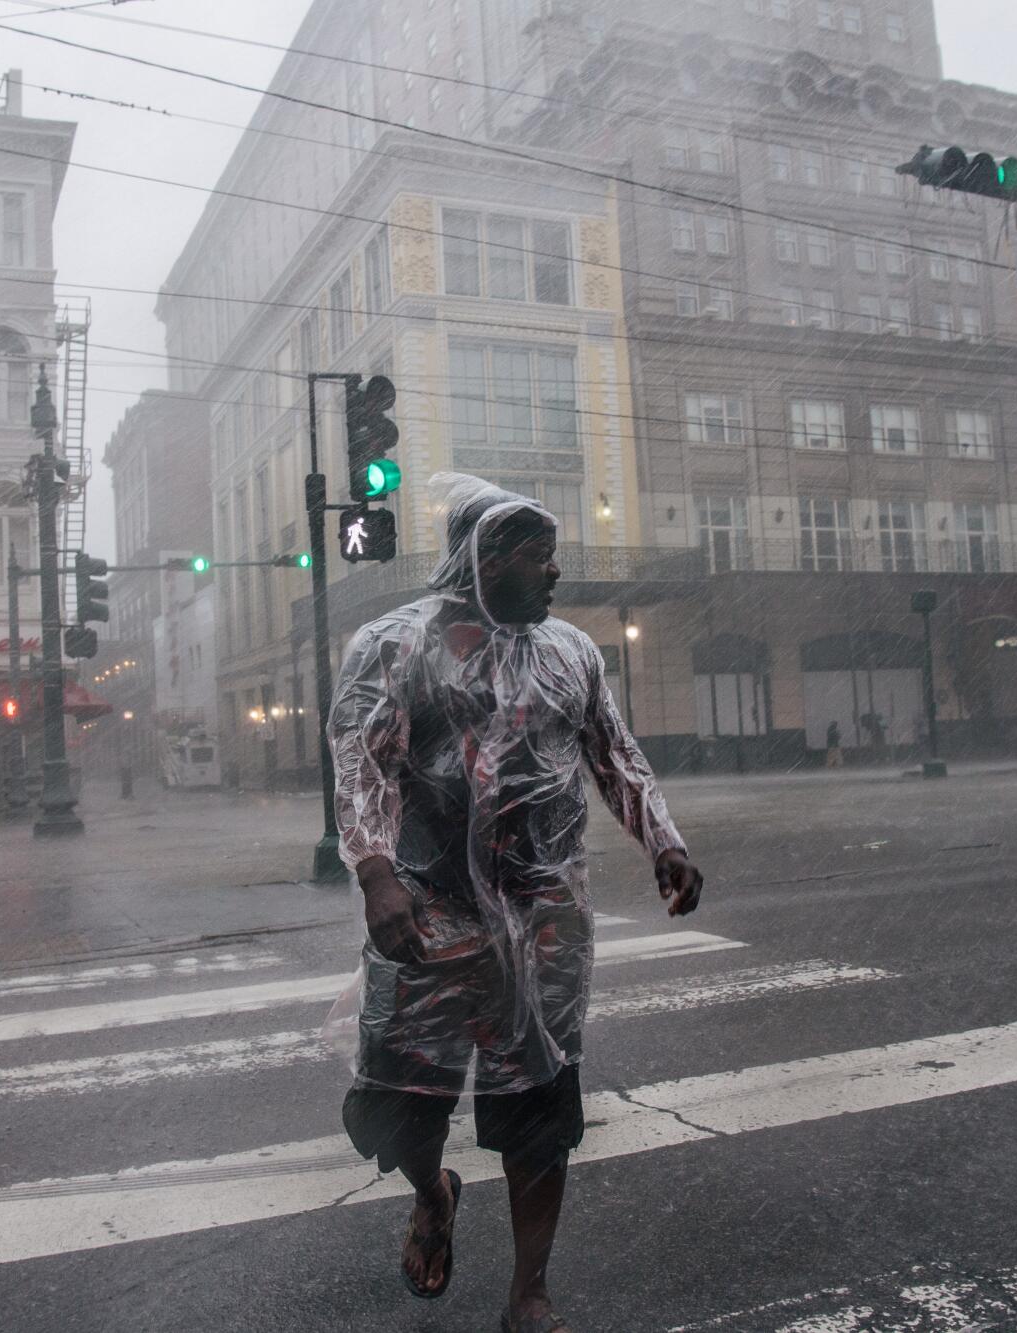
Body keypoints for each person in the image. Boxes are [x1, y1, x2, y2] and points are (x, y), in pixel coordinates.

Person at [326, 474, 702, 1333]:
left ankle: (529, 1291)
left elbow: (615, 752)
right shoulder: (395, 646)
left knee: (540, 1105)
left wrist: (664, 840)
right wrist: (377, 874)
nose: (556, 572)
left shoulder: (571, 651)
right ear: (484, 558)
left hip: (545, 920)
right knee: (398, 1108)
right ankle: (433, 1192)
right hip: (426, 912)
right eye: (539, 557)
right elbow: (362, 762)